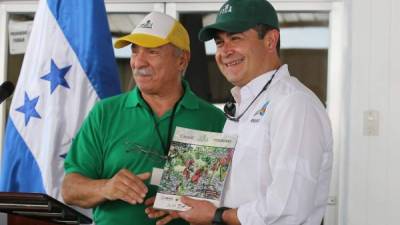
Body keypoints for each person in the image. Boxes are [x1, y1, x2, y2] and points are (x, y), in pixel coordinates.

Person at [145, 0, 333, 225]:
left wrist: (216, 216)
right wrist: (181, 199)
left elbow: (287, 209)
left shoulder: (294, 103)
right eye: (219, 42)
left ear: (271, 40)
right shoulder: (244, 103)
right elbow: (236, 184)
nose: (225, 51)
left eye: (236, 38)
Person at [61, 11, 226, 225]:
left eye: (152, 51)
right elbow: (69, 188)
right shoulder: (105, 113)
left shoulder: (213, 120)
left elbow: (229, 200)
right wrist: (106, 187)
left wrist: (190, 205)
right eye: (134, 51)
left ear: (182, 60)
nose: (138, 62)